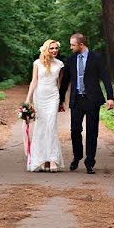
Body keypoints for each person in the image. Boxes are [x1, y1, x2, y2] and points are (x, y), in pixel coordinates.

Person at [59, 32, 114, 174]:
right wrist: (60, 100)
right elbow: (65, 81)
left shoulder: (96, 58)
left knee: (92, 131)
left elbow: (105, 78)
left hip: (92, 100)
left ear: (81, 44)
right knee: (75, 130)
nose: (70, 47)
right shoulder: (71, 59)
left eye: (73, 45)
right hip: (77, 100)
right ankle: (77, 157)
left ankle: (90, 161)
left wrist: (110, 97)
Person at [23, 39, 65, 172]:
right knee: (41, 127)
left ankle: (52, 159)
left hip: (53, 97)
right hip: (39, 97)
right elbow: (34, 81)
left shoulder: (60, 64)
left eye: (56, 48)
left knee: (51, 126)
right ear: (46, 49)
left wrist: (62, 101)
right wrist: (28, 99)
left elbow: (60, 84)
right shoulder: (37, 63)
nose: (55, 51)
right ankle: (42, 160)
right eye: (52, 48)